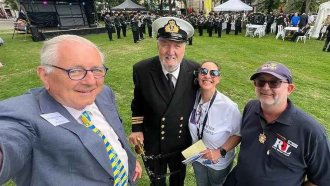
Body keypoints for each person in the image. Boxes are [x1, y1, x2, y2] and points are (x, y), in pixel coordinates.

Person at [0, 35, 142, 186]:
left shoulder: (104, 93)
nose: (90, 81)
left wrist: (128, 160)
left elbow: (114, 134)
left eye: (96, 69)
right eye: (75, 71)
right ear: (45, 75)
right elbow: (9, 140)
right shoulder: (21, 115)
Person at [224, 61, 330, 186]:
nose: (266, 88)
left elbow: (321, 181)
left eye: (274, 82)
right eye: (261, 82)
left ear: (289, 89)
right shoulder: (251, 107)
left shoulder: (311, 131)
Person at [129, 17, 200, 186]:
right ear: (157, 45)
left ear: (185, 47)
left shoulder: (195, 71)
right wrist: (136, 128)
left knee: (178, 180)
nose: (171, 51)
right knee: (157, 181)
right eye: (165, 44)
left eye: (177, 46)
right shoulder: (142, 70)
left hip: (181, 141)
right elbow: (137, 102)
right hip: (153, 140)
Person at [189, 61, 242, 186]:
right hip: (197, 156)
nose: (207, 76)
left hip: (218, 163)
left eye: (214, 73)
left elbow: (238, 134)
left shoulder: (229, 107)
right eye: (204, 71)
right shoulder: (192, 97)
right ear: (198, 75)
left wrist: (220, 152)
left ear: (218, 78)